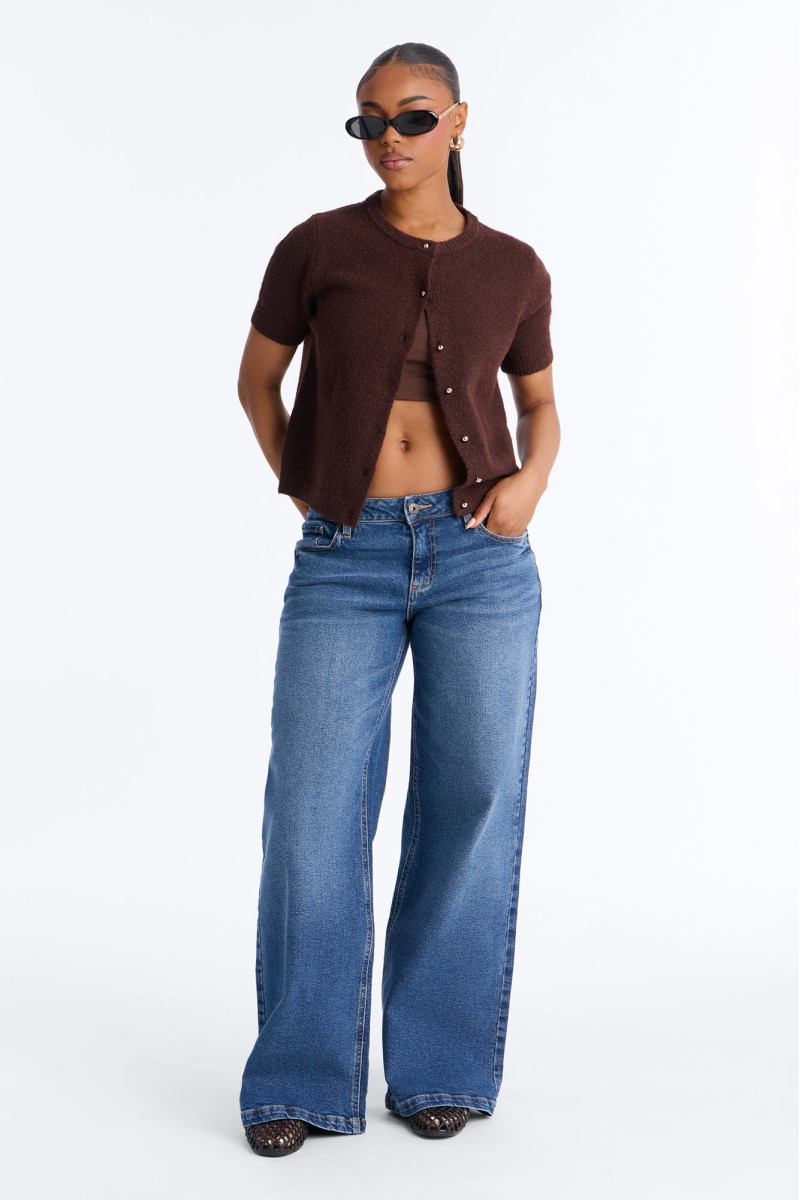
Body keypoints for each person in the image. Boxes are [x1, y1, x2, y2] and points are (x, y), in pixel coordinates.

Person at [236, 42, 561, 1158]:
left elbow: (540, 404)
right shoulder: (317, 247)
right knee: (313, 809)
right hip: (346, 556)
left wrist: (532, 479)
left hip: (481, 560)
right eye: (368, 121)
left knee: (472, 803)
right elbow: (256, 381)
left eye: (412, 118)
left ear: (458, 122)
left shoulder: (514, 266)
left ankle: (440, 1068)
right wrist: (308, 488)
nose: (389, 139)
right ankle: (299, 1076)